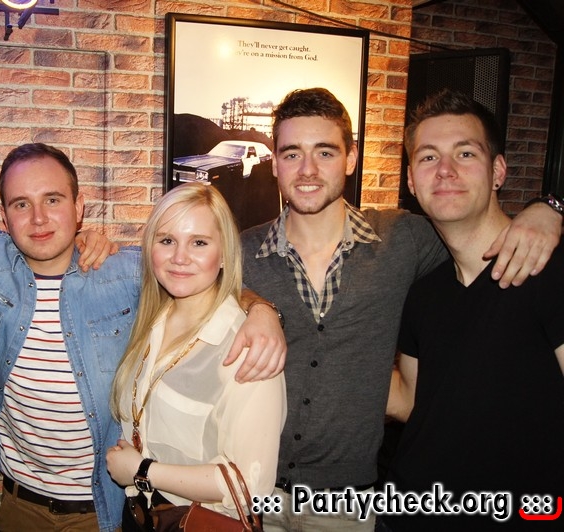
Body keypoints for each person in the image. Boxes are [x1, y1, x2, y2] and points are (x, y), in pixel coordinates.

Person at [0, 143, 286, 532]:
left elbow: (199, 274)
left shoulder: (126, 273)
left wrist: (261, 309)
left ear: (79, 207)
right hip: (18, 505)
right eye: (20, 204)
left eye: (53, 199)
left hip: (102, 510)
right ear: (2, 216)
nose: (39, 218)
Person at [239, 87, 563, 531]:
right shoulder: (243, 252)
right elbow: (184, 283)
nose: (308, 169)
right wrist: (256, 304)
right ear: (274, 163)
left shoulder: (403, 242)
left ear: (351, 159)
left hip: (353, 504)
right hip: (255, 493)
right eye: (292, 154)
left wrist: (549, 208)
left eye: (325, 152)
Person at [382, 89, 564, 531]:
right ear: (411, 181)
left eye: (465, 153)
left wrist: (553, 207)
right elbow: (411, 401)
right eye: (428, 157)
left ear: (498, 171)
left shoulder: (548, 271)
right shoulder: (424, 293)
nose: (445, 170)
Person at [106, 183, 286, 530]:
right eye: (167, 240)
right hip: (140, 516)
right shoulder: (149, 321)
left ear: (224, 254)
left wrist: (142, 471)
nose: (180, 257)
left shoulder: (245, 347)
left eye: (199, 242)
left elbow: (250, 486)